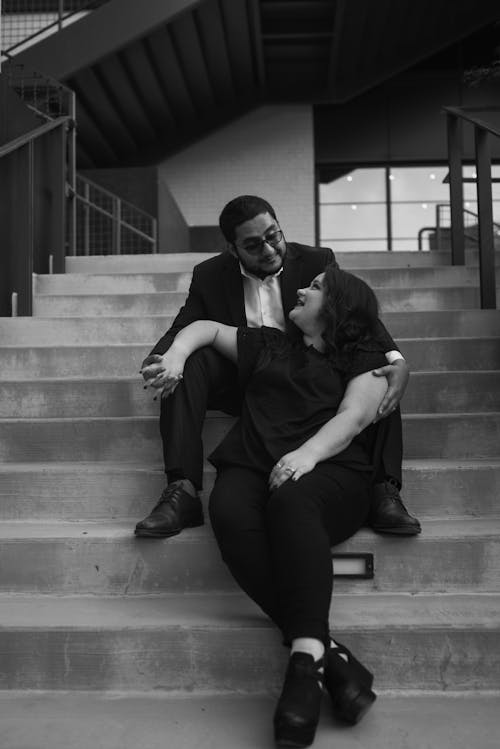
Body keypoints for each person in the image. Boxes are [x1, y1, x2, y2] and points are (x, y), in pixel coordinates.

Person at [140, 265, 390, 746]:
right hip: (252, 466)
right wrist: (175, 355)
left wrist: (305, 456)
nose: (300, 287)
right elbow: (206, 328)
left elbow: (355, 417)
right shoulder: (271, 344)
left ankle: (302, 671)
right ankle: (325, 655)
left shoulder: (365, 357)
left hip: (331, 472)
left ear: (337, 306)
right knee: (229, 512)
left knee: (291, 505)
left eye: (315, 287)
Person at [136, 195, 420, 538]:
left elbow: (355, 315)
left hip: (313, 373)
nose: (269, 250)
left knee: (377, 369)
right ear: (232, 248)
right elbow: (187, 325)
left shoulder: (317, 260)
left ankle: (383, 489)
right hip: (251, 373)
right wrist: (168, 359)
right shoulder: (210, 275)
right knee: (187, 361)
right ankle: (181, 489)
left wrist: (397, 359)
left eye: (274, 236)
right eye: (254, 245)